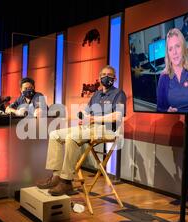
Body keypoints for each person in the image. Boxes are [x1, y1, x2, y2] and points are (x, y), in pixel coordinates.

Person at [37, 65, 126, 196]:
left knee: (71, 138)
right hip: (89, 127)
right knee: (54, 134)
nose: (106, 77)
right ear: (99, 77)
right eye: (103, 74)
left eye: (110, 74)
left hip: (106, 130)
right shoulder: (96, 94)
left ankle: (66, 181)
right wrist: (84, 118)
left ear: (115, 78)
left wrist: (94, 118)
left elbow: (117, 116)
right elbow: (85, 113)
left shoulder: (119, 93)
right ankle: (56, 176)